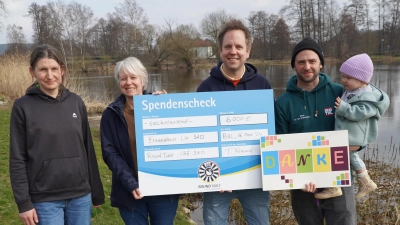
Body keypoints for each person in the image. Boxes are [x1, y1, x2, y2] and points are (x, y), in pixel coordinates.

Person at [9, 44, 105, 225]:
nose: (50, 75)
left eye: (54, 69)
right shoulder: (23, 107)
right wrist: (23, 203)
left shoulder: (76, 102)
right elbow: (17, 159)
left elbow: (88, 149)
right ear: (32, 72)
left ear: (62, 70)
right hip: (45, 199)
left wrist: (96, 192)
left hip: (80, 196)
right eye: (43, 69)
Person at [274, 37, 357, 225]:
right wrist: (299, 177)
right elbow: (280, 146)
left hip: (339, 179)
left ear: (320, 64)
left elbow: (361, 123)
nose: (307, 66)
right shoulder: (282, 103)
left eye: (312, 61)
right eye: (301, 62)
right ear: (294, 66)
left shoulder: (340, 92)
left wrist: (358, 146)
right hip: (302, 184)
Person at [197, 19, 272, 225]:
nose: (233, 51)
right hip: (217, 179)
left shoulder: (262, 84)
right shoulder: (206, 87)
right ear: (220, 51)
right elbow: (200, 134)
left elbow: (270, 132)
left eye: (239, 46)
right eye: (228, 46)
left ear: (247, 51)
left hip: (255, 178)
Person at [100, 56, 179, 225]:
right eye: (123, 78)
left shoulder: (161, 105)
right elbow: (110, 153)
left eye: (133, 77)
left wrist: (167, 106)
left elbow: (179, 138)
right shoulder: (110, 114)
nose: (128, 82)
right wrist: (131, 183)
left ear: (143, 80)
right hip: (130, 191)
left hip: (163, 190)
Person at [314, 53, 390, 200]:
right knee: (345, 155)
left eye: (348, 78)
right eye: (343, 76)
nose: (343, 81)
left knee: (339, 154)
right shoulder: (353, 91)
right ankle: (359, 182)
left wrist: (344, 109)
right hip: (348, 134)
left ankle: (341, 185)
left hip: (355, 136)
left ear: (362, 79)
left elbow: (361, 113)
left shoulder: (369, 97)